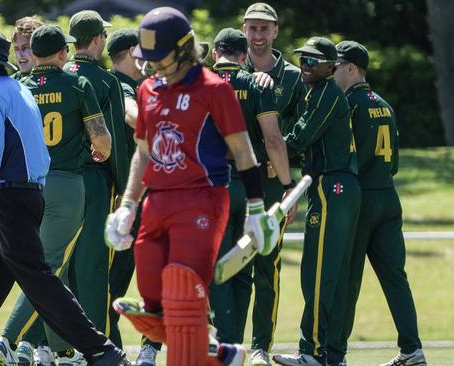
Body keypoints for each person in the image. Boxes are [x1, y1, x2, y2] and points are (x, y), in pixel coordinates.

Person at [105, 7, 280, 366]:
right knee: (152, 305)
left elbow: (243, 150)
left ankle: (206, 350)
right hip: (157, 201)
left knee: (182, 290)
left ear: (184, 49)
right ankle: (217, 352)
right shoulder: (148, 89)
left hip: (202, 198)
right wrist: (127, 205)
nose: (151, 64)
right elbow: (143, 153)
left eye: (159, 56)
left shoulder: (213, 88)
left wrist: (257, 207)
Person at [0, 26, 129, 366]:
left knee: (39, 280)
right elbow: (39, 156)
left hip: (9, 197)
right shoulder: (16, 87)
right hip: (25, 194)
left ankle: (101, 350)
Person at [0, 25, 113, 366]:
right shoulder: (78, 83)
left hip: (24, 187)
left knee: (43, 269)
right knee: (47, 268)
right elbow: (101, 139)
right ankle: (8, 339)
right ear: (62, 53)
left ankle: (61, 349)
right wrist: (100, 151)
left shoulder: (18, 87)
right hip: (65, 185)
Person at [327, 41, 425, 366]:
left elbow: (345, 156)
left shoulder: (348, 105)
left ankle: (336, 355)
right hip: (389, 197)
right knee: (396, 277)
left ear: (351, 68)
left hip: (362, 201)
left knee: (347, 278)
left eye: (336, 66)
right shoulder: (385, 104)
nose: (331, 72)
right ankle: (412, 350)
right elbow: (394, 162)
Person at [208, 27, 295, 363]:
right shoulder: (255, 84)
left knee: (215, 265)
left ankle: (224, 344)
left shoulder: (199, 84)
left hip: (211, 185)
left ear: (215, 54)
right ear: (244, 56)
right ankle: (236, 344)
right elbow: (274, 140)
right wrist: (287, 185)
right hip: (249, 185)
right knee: (242, 265)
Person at [272, 37, 361, 366]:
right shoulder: (319, 92)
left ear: (331, 67)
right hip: (341, 187)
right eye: (302, 60)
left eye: (313, 61)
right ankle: (332, 354)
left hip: (332, 186)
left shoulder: (325, 92)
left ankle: (311, 351)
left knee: (318, 272)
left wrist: (273, 153)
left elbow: (301, 136)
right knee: (333, 274)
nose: (305, 66)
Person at [241, 4, 307, 364]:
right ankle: (228, 343)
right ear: (244, 30)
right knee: (232, 265)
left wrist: (285, 177)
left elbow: (299, 132)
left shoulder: (294, 78)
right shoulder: (233, 72)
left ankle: (260, 347)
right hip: (232, 186)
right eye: (252, 28)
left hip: (270, 186)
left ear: (277, 31)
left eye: (264, 28)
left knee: (267, 267)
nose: (258, 36)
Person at [64, 10, 130, 345]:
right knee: (93, 269)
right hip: (94, 180)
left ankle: (57, 343)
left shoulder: (59, 74)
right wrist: (123, 186)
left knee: (61, 267)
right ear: (97, 40)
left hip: (56, 181)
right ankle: (99, 344)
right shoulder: (107, 81)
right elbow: (114, 138)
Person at [106, 28, 164, 366]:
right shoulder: (124, 84)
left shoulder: (106, 81)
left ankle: (114, 348)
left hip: (123, 195)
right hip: (136, 196)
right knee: (146, 278)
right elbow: (133, 115)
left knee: (113, 281)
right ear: (131, 52)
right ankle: (143, 349)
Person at [11, 16, 44, 83]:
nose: (20, 54)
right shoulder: (9, 83)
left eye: (25, 48)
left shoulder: (53, 80)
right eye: (16, 49)